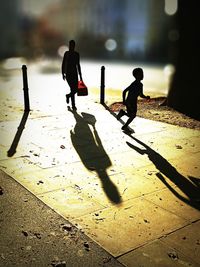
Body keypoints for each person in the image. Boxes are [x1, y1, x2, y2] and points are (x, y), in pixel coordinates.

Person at [62, 40, 83, 110]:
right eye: (71, 45)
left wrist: (80, 75)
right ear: (69, 45)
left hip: (75, 74)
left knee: (75, 89)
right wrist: (63, 73)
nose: (72, 46)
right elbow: (63, 63)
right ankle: (73, 105)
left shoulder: (77, 54)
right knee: (72, 89)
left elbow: (78, 65)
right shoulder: (66, 53)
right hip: (68, 74)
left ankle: (68, 96)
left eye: (73, 45)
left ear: (74, 46)